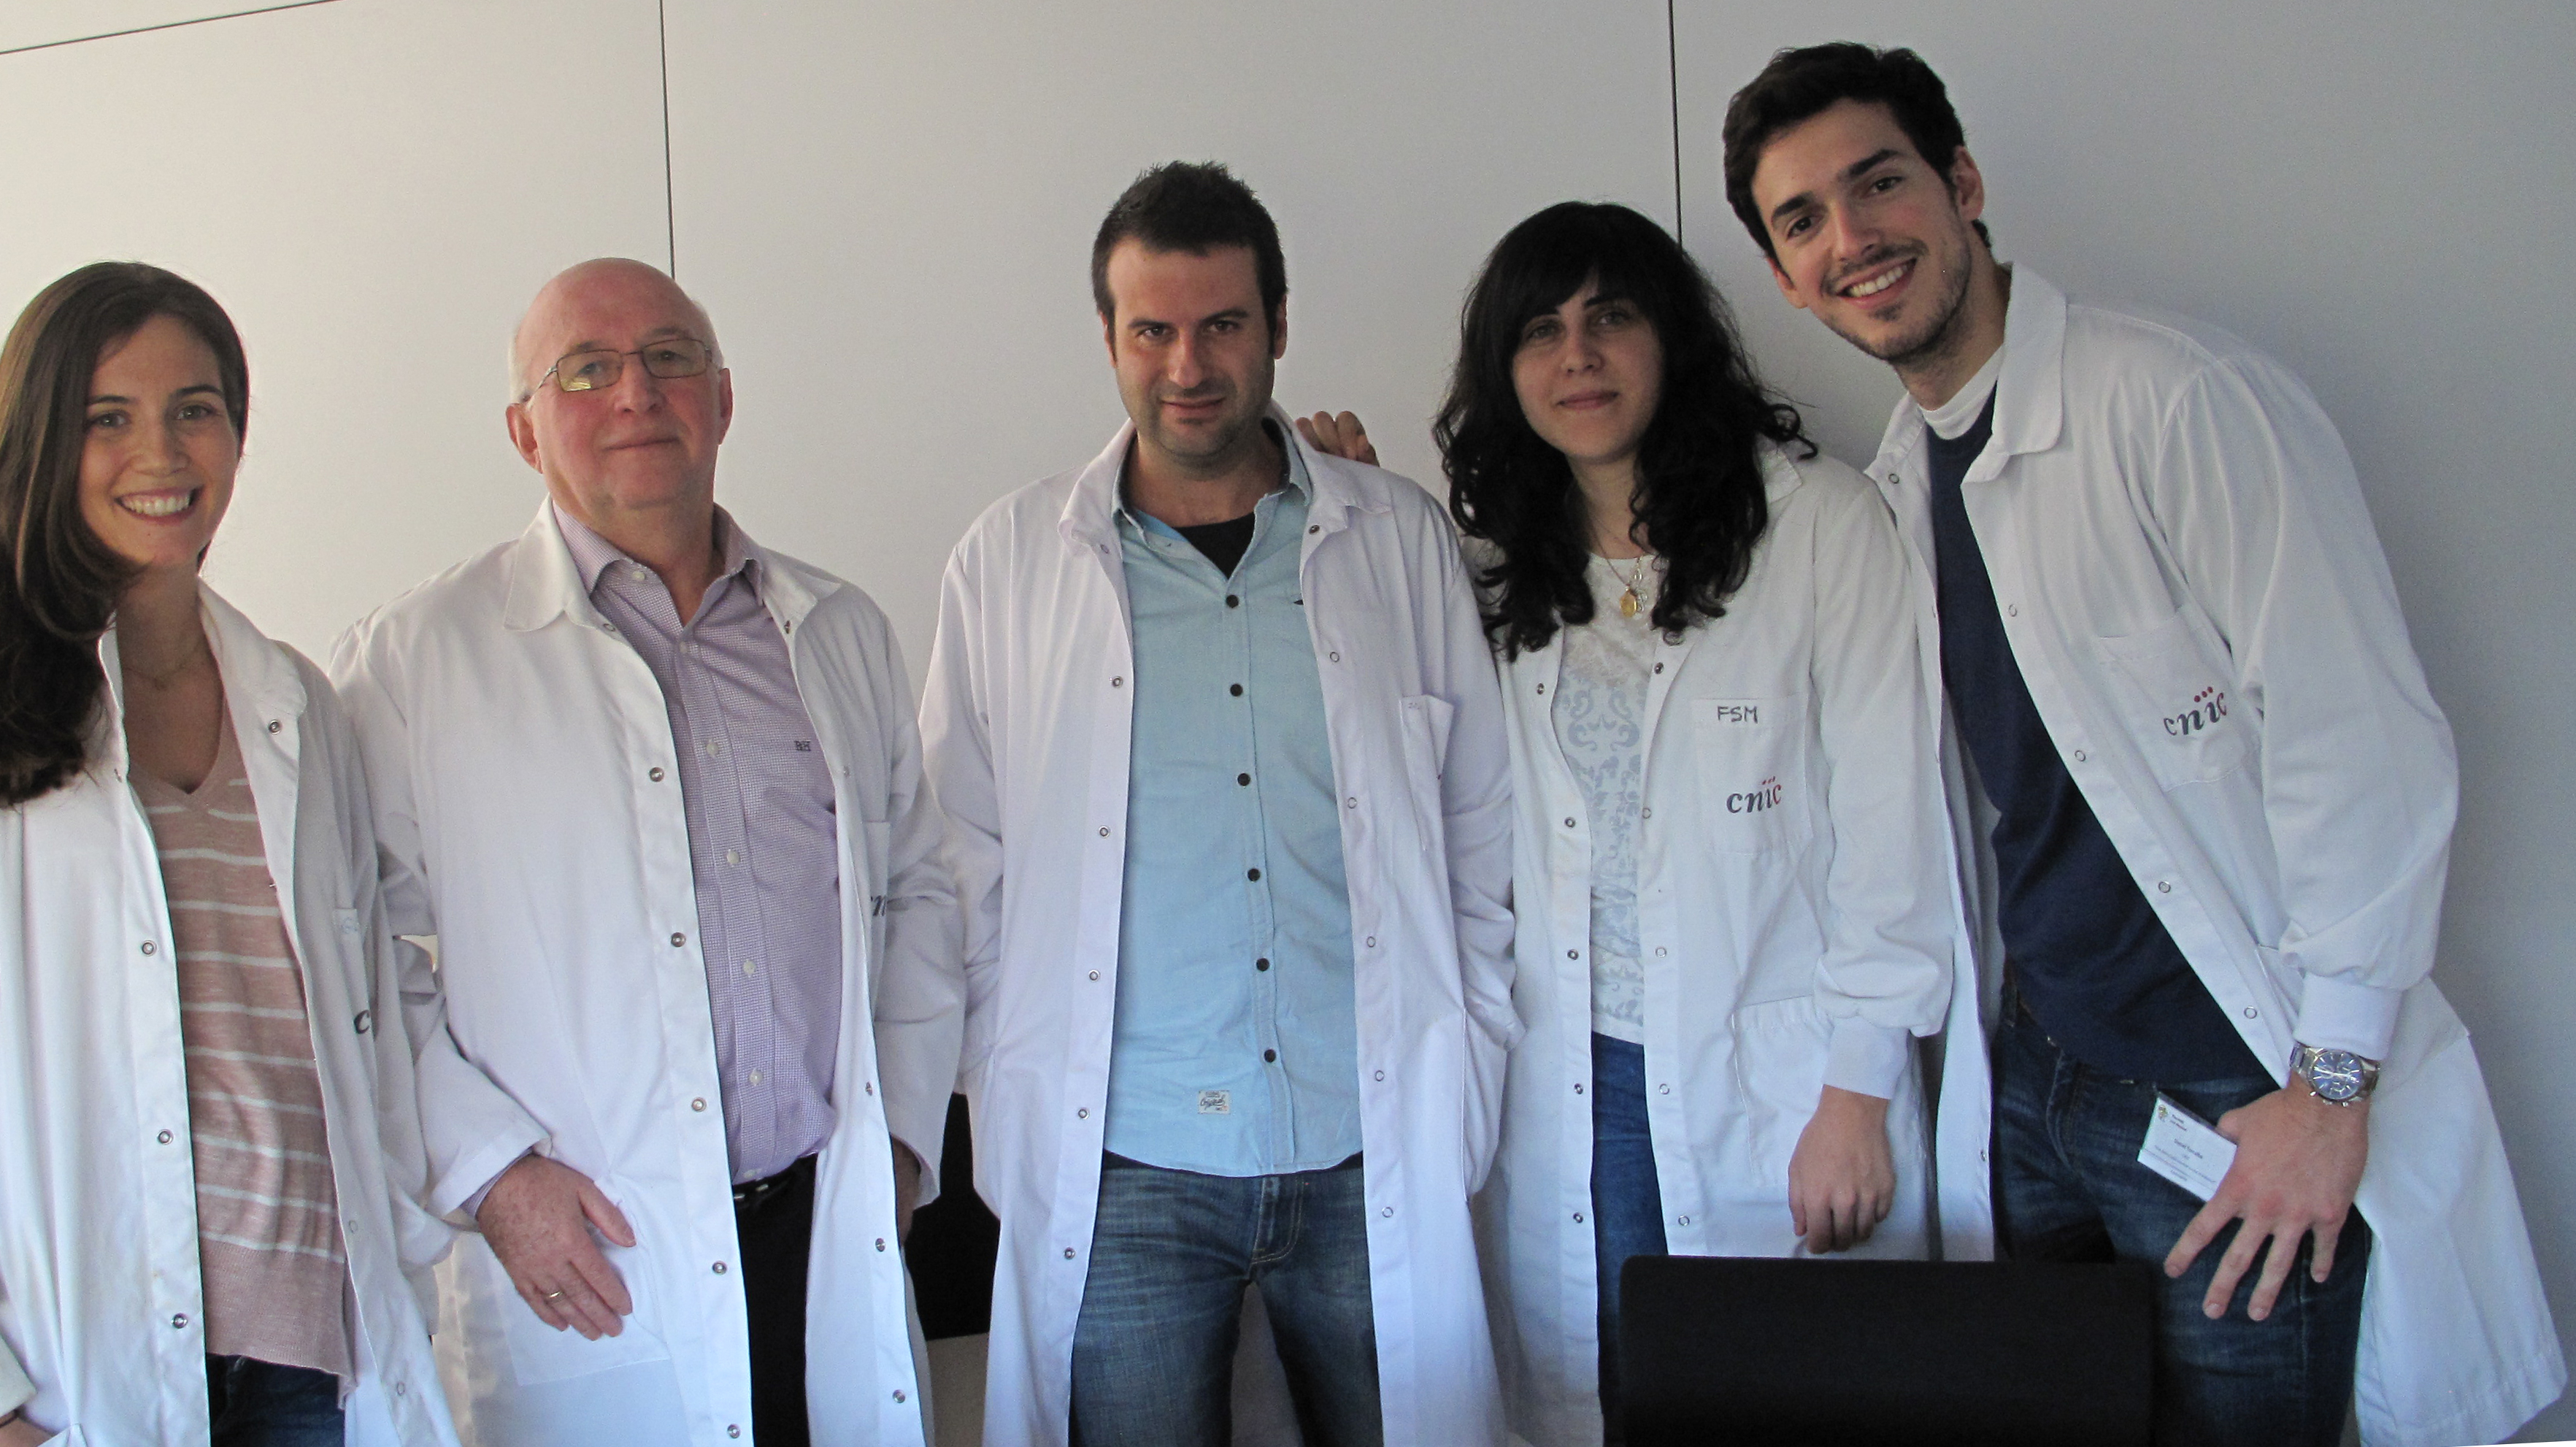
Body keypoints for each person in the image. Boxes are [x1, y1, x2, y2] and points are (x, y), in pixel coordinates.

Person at [1723, 41, 2564, 1447]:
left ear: (1963, 183)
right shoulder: (1894, 489)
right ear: (1786, 276)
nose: (1853, 240)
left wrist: (2332, 1091)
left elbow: (2366, 751)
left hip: (2239, 1096)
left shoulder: (2177, 402)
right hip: (2043, 1086)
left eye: (1879, 186)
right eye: (1803, 221)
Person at [1308, 199, 1977, 1445]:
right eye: (1543, 332)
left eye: (1612, 318)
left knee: (1788, 1399)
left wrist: (1860, 1092)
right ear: (1505, 374)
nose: (1579, 357)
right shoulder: (1500, 571)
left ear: (1671, 338)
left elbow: (1898, 835)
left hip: (1781, 1082)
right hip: (1576, 1085)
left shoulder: (1820, 525)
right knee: (1604, 1398)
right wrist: (1348, 499)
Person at [0, 262, 458, 1447]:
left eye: (196, 408)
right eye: (109, 417)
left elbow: (363, 1025)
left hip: (311, 1370)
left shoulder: (298, 706)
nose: (163, 451)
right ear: (41, 441)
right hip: (56, 1378)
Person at [918, 161, 1516, 1447]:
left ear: (1279, 327)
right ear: (1109, 337)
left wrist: (1475, 1048)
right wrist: (993, 1090)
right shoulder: (1010, 562)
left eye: (1223, 325)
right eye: (1153, 329)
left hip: (1369, 1146)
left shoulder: (1396, 539)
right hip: (1124, 1163)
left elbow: (1480, 827)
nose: (1188, 364)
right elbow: (959, 863)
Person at [329, 258, 961, 1447]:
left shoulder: (834, 629)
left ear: (722, 399)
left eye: (670, 358)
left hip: (824, 1226)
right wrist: (494, 1176)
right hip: (593, 1252)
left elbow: (921, 894)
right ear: (525, 430)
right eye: (587, 369)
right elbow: (357, 959)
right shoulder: (418, 660)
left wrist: (907, 1145)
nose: (636, 394)